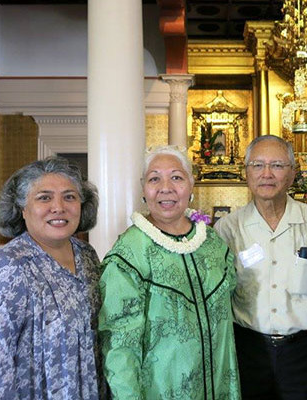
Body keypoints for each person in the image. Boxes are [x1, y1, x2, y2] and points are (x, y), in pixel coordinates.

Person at [99, 146, 240, 399]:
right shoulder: (130, 252)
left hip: (219, 387)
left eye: (176, 177)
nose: (166, 187)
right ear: (144, 189)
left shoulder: (211, 242)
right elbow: (119, 344)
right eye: (154, 179)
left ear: (191, 186)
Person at [215, 135, 307, 399]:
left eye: (277, 165)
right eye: (257, 165)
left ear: (292, 173)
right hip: (248, 348)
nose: (266, 174)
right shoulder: (228, 228)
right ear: (246, 172)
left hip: (304, 352)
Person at [0, 156, 102, 399]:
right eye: (44, 197)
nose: (59, 207)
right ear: (22, 208)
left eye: (69, 196)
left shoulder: (87, 257)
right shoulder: (6, 269)